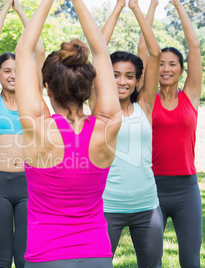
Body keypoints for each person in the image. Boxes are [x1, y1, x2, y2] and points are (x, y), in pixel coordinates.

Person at [15, 0, 122, 266]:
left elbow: (23, 51)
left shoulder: (38, 126)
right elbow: (100, 51)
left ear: (47, 87)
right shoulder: (108, 125)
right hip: (97, 254)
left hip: (47, 255)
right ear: (88, 85)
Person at [97, 0, 163, 266]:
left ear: (137, 80)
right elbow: (97, 50)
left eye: (129, 76)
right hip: (105, 209)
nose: (122, 81)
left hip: (147, 207)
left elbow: (155, 54)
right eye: (114, 75)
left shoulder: (144, 105)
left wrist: (136, 8)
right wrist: (117, 8)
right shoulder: (98, 106)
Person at [0, 0, 45, 266]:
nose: (13, 75)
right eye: (7, 70)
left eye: (18, 70)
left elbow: (38, 50)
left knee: (25, 257)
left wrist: (21, 12)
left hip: (30, 183)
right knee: (3, 259)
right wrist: (5, 9)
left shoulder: (33, 99)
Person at [140, 0, 203, 266]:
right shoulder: (146, 99)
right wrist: (152, 5)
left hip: (186, 188)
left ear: (181, 69)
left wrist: (177, 5)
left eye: (172, 64)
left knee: (190, 260)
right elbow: (144, 51)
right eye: (162, 63)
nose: (166, 68)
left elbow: (194, 47)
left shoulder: (190, 95)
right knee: (151, 260)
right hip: (151, 186)